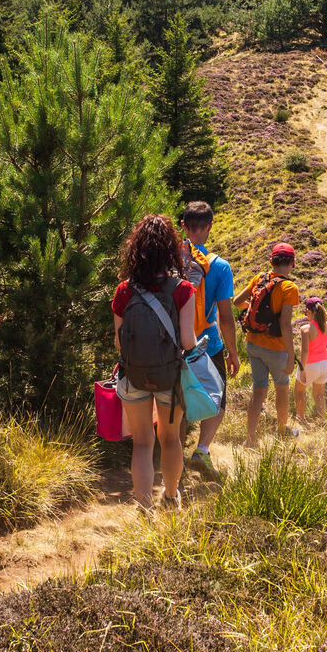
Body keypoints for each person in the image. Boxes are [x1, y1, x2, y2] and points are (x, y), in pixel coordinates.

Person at [112, 214, 197, 512]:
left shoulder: (124, 290)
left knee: (142, 443)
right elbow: (188, 342)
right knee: (170, 440)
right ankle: (171, 497)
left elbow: (119, 343)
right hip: (169, 378)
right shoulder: (183, 290)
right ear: (170, 250)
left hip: (134, 376)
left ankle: (143, 506)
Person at [178, 201, 238, 480]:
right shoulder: (220, 266)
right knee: (217, 400)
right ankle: (202, 449)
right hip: (209, 344)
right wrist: (233, 353)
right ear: (210, 227)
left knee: (176, 402)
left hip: (176, 343)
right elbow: (226, 317)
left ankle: (173, 454)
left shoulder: (171, 261)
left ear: (183, 226)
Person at [235, 242, 300, 445]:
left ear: (272, 261)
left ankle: (250, 438)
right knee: (282, 388)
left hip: (253, 344)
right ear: (293, 264)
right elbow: (286, 325)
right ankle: (282, 431)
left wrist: (255, 311)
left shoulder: (259, 278)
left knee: (258, 391)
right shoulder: (289, 287)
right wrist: (291, 356)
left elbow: (237, 301)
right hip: (276, 348)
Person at [294, 296, 327, 422]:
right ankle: (323, 420)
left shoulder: (305, 329)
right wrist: (326, 356)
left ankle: (301, 417)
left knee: (299, 391)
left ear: (309, 312)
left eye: (306, 311)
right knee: (319, 395)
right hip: (324, 365)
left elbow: (305, 351)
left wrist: (302, 368)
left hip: (310, 365)